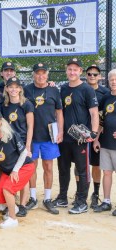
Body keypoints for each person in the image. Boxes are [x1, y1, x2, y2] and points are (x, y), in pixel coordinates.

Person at [53, 58, 99, 214]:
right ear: (66, 71)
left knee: (82, 170)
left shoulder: (87, 89)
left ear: (80, 71)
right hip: (64, 137)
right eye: (70, 69)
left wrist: (92, 133)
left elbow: (94, 113)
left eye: (75, 69)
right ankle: (62, 197)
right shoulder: (63, 88)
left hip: (81, 138)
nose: (72, 72)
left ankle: (81, 201)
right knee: (63, 168)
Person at [24, 63, 63, 214]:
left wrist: (60, 131)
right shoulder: (27, 90)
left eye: (43, 73)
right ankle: (33, 198)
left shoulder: (54, 90)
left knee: (48, 166)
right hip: (32, 136)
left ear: (47, 74)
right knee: (31, 167)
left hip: (49, 136)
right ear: (33, 74)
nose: (40, 76)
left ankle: (47, 198)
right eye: (37, 73)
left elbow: (59, 112)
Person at [0, 109, 34, 229]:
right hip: (7, 171)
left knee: (7, 189)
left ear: (2, 122)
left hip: (24, 166)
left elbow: (24, 153)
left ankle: (13, 219)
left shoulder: (11, 135)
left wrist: (15, 170)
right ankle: (14, 208)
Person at [2, 77, 34, 216]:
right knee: (10, 172)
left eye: (16, 87)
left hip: (22, 142)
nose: (13, 89)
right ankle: (10, 202)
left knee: (22, 174)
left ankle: (23, 205)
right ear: (7, 89)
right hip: (8, 144)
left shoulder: (26, 104)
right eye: (11, 87)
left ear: (20, 89)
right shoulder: (4, 105)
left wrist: (27, 145)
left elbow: (30, 125)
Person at [85, 64, 109, 209]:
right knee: (80, 165)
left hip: (97, 134)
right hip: (82, 132)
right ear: (86, 75)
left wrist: (98, 135)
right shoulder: (81, 89)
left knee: (96, 164)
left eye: (95, 74)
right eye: (89, 74)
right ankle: (80, 193)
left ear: (99, 76)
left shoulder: (105, 93)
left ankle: (95, 193)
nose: (92, 76)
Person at [93, 69, 116, 214]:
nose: (114, 82)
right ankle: (106, 201)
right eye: (111, 79)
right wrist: (96, 139)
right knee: (106, 173)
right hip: (106, 143)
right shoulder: (106, 97)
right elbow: (100, 120)